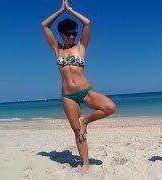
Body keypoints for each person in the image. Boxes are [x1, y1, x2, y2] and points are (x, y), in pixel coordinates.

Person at [41, 0, 116, 171]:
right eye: (68, 34)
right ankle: (86, 163)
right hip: (68, 96)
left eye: (74, 33)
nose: (72, 36)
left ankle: (85, 120)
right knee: (77, 131)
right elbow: (44, 26)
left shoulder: (81, 47)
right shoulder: (57, 49)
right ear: (61, 34)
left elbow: (87, 23)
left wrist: (71, 10)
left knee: (110, 107)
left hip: (85, 91)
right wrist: (61, 11)